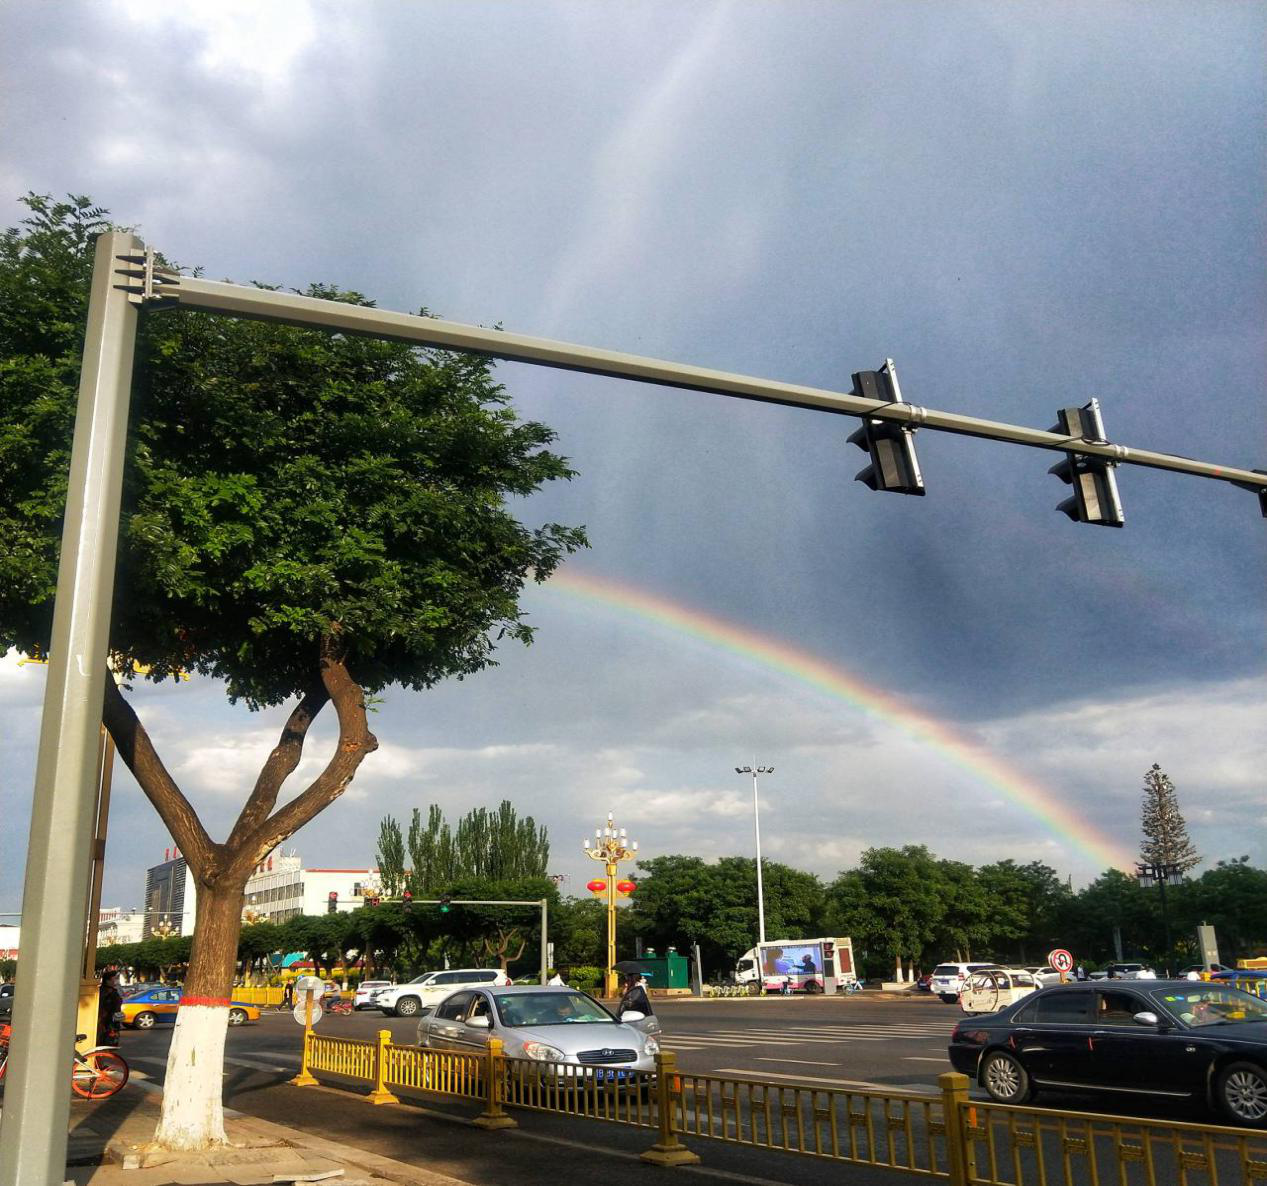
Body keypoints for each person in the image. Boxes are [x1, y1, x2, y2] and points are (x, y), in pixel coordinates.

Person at [97, 970, 123, 1047]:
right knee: (106, 1039)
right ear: (107, 981)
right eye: (113, 979)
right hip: (107, 1019)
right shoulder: (105, 991)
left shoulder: (113, 990)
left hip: (114, 1018)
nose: (115, 981)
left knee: (112, 1038)